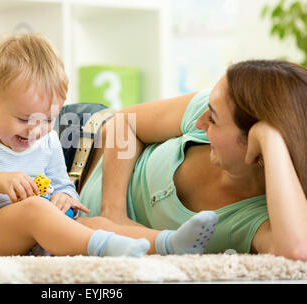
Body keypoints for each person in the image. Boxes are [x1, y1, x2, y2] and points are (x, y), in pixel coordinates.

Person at [0, 33, 218, 257]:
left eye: (47, 119)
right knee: (33, 210)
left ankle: (167, 243)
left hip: (40, 236)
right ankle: (104, 251)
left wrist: (65, 198)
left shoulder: (48, 139)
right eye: (24, 118)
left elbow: (61, 184)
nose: (36, 130)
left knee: (93, 224)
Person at [76, 59, 307, 260]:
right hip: (77, 141)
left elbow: (297, 250)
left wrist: (270, 137)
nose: (200, 122)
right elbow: (123, 122)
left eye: (214, 120)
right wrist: (114, 215)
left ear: (255, 146)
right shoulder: (211, 109)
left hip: (66, 218)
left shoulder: (258, 218)